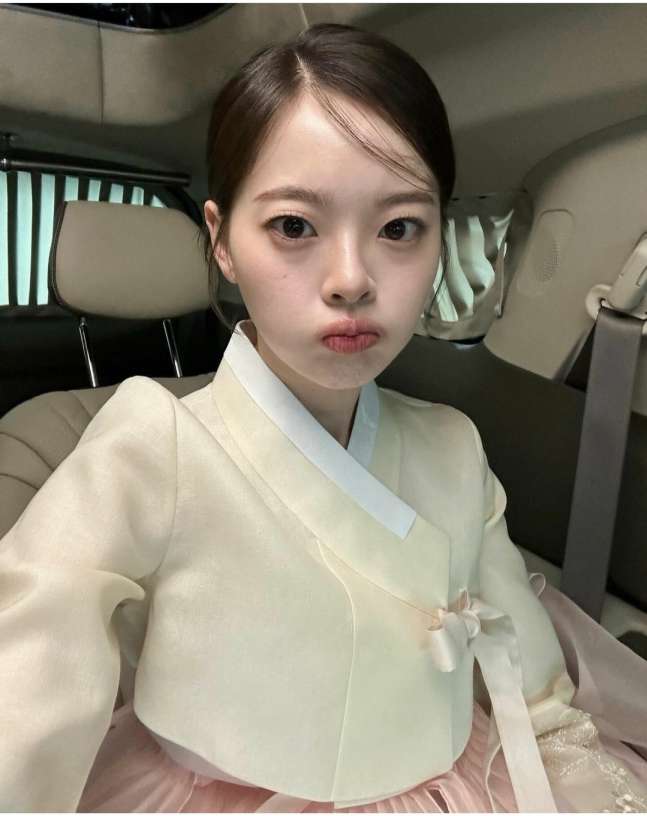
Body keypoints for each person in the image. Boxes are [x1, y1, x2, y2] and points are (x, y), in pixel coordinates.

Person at [2, 22, 647, 814]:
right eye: (294, 226)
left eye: (399, 228)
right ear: (222, 241)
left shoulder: (452, 443)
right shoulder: (149, 444)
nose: (350, 279)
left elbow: (532, 671)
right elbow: (23, 695)